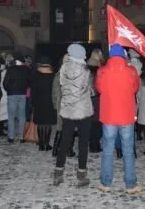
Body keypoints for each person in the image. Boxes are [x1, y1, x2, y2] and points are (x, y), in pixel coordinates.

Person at [95, 44, 142, 194]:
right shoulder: (131, 71)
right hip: (126, 115)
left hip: (109, 115)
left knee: (108, 150)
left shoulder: (102, 71)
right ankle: (130, 184)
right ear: (123, 56)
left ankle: (106, 183)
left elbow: (99, 89)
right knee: (128, 150)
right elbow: (135, 88)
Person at [53, 44, 93, 187]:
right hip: (82, 111)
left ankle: (58, 174)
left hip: (68, 110)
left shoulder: (63, 68)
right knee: (83, 143)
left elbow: (61, 86)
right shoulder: (85, 70)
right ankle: (81, 175)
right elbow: (89, 88)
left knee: (65, 141)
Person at [3, 53, 31, 143]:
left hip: (12, 94)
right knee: (22, 116)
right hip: (22, 94)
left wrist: (8, 89)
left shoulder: (11, 69)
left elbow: (5, 83)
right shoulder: (27, 69)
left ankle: (11, 137)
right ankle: (22, 137)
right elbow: (29, 82)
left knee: (11, 116)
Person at [31, 56, 57, 151]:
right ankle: (46, 144)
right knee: (48, 124)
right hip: (50, 101)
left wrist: (32, 101)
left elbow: (32, 89)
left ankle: (41, 144)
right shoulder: (53, 75)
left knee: (40, 123)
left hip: (38, 101)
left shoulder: (35, 74)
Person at [87, 48, 104, 153]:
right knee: (97, 122)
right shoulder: (100, 69)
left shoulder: (85, 67)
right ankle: (95, 144)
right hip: (97, 97)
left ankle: (92, 143)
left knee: (91, 121)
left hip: (88, 97)